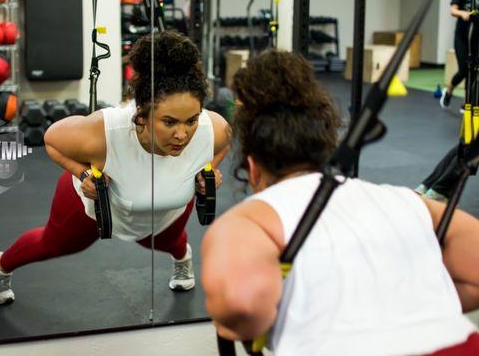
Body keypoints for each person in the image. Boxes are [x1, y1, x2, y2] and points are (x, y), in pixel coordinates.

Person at [202, 50, 479, 355]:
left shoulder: (254, 218)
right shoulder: (408, 201)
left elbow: (242, 305)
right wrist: (405, 302)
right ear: (325, 149)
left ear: (253, 168)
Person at [0, 31, 231, 304]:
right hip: (98, 205)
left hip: (165, 206)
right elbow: (51, 140)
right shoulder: (105, 132)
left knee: (165, 241)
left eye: (191, 120)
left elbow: (224, 143)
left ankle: (182, 256)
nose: (182, 135)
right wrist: (83, 174)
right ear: (142, 116)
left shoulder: (212, 129)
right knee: (53, 245)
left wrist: (203, 169)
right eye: (169, 122)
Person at [441, 0, 479, 111]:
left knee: (473, 71)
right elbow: (453, 10)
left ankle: (466, 102)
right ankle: (449, 91)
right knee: (463, 70)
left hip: (475, 38)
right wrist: (462, 13)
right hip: (462, 38)